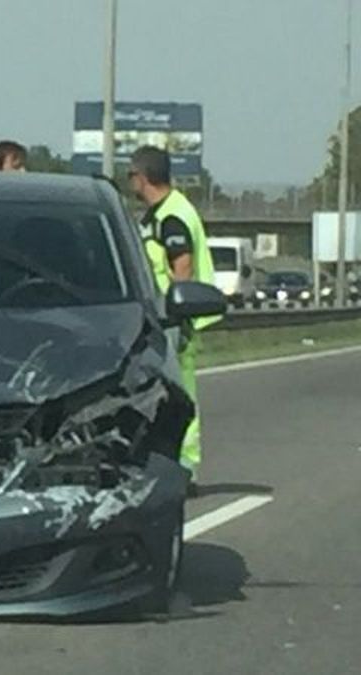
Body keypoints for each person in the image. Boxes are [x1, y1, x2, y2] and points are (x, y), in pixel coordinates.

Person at [129, 145, 220, 495]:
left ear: (143, 176)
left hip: (175, 322)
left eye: (132, 176)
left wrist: (177, 313)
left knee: (179, 394)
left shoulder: (172, 217)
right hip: (161, 320)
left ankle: (185, 469)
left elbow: (183, 270)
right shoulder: (159, 213)